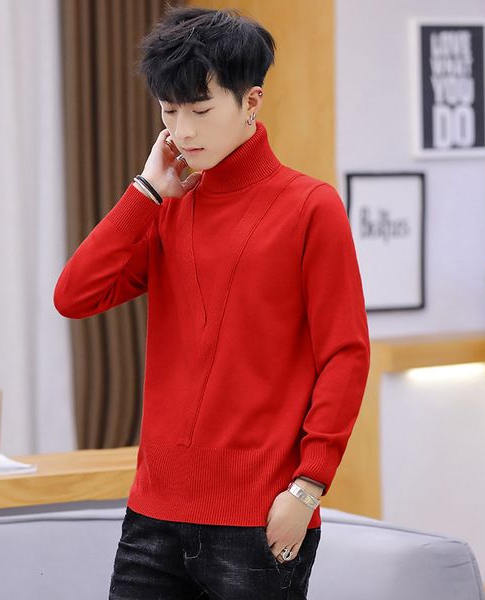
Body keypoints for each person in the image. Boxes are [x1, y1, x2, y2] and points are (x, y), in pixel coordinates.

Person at [53, 6, 370, 599]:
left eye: (200, 111)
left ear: (251, 102)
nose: (183, 131)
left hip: (258, 518)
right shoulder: (167, 208)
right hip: (153, 515)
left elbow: (345, 356)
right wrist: (146, 192)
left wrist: (307, 489)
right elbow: (74, 295)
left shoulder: (310, 207)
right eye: (169, 111)